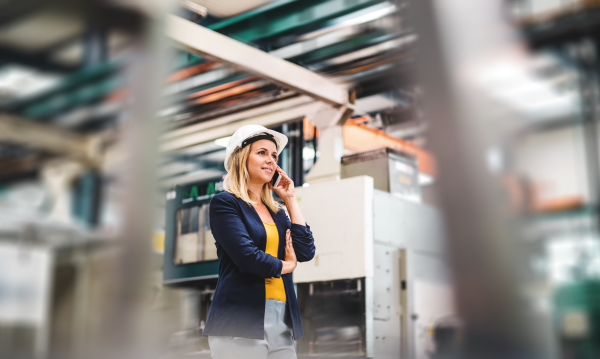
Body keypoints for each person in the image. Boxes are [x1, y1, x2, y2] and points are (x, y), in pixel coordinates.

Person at [204, 124, 316, 359]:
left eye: (274, 155)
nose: (271, 160)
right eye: (262, 153)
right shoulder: (226, 204)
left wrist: (291, 199)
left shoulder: (277, 212)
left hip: (283, 319)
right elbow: (247, 257)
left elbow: (305, 251)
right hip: (240, 320)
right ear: (242, 157)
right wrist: (286, 266)